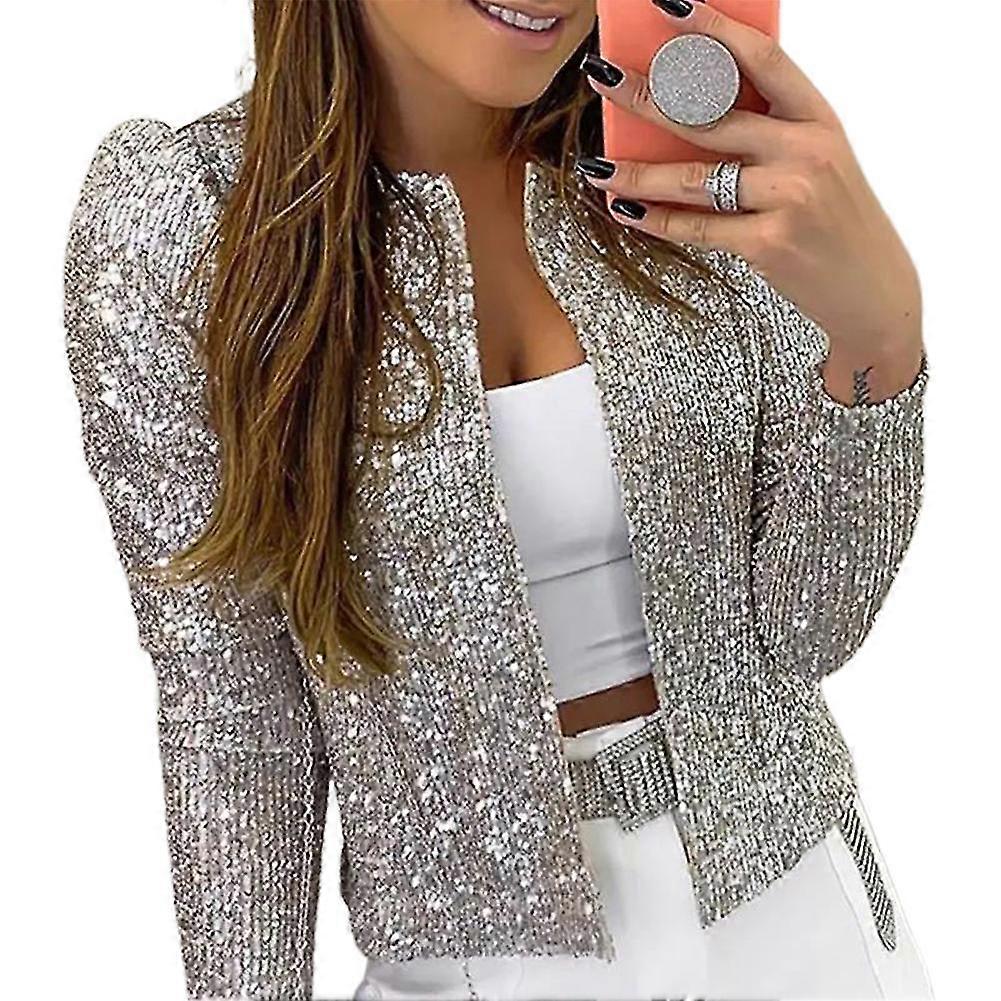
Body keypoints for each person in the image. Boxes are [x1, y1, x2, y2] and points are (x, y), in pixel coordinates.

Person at [62, 1, 933, 998]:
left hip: (800, 919)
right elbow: (235, 713)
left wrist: (878, 342)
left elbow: (811, 628)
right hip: (476, 968)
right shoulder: (188, 223)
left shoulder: (684, 151)